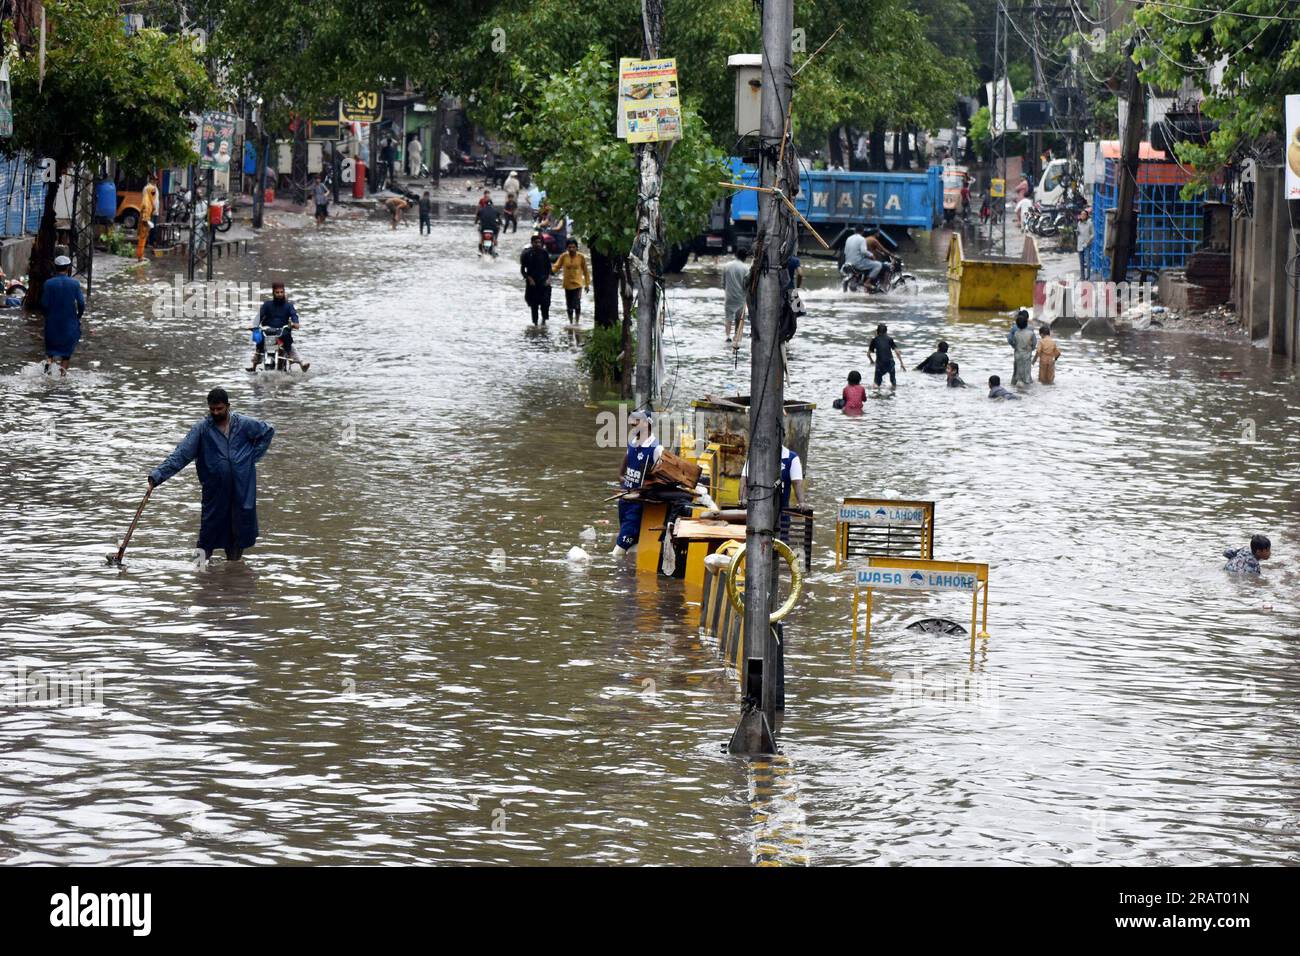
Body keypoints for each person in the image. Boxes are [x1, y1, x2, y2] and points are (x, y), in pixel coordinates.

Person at [148, 388, 275, 562]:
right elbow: (181, 454)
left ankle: (233, 578)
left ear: (228, 407)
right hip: (215, 492)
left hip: (242, 490)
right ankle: (198, 571)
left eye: (219, 409)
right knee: (207, 536)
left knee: (237, 538)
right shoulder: (202, 429)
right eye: (212, 409)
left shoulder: (243, 424)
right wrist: (157, 476)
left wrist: (251, 458)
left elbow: (267, 431)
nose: (216, 413)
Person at [612, 409, 664, 558]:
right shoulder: (632, 444)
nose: (632, 423)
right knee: (632, 545)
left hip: (639, 505)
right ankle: (630, 572)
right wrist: (626, 483)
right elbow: (620, 473)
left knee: (619, 549)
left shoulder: (656, 449)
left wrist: (643, 490)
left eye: (637, 420)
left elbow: (662, 480)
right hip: (625, 500)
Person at [40, 255, 87, 376]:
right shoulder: (75, 284)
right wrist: (78, 317)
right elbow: (81, 304)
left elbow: (44, 304)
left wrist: (48, 317)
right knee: (66, 354)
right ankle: (62, 377)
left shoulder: (48, 284)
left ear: (55, 268)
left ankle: (47, 374)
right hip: (69, 325)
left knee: (50, 353)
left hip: (52, 324)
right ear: (68, 268)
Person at [249, 282, 309, 371]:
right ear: (273, 293)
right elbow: (259, 316)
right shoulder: (267, 305)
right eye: (277, 292)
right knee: (259, 343)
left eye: (281, 292)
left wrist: (295, 323)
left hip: (282, 331)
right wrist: (253, 325)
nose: (280, 294)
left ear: (284, 292)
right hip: (268, 330)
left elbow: (294, 315)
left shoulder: (289, 306)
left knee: (288, 344)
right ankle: (254, 365)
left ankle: (300, 362)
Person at [552, 238, 590, 323]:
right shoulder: (563, 256)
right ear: (566, 248)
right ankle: (570, 322)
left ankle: (577, 322)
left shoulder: (581, 257)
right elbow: (556, 266)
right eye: (569, 247)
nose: (571, 249)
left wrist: (587, 284)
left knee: (577, 304)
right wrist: (549, 272)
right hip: (567, 285)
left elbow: (586, 272)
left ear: (577, 247)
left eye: (573, 247)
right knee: (569, 306)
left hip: (578, 284)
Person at [520, 233, 553, 325]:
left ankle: (544, 322)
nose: (538, 244)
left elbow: (549, 268)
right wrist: (529, 278)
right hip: (532, 284)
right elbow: (522, 270)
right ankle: (535, 324)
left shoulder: (544, 253)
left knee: (545, 304)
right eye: (536, 242)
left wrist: (549, 279)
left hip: (544, 283)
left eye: (539, 242)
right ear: (532, 243)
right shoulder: (527, 254)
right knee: (534, 306)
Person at [721, 247, 750, 347]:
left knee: (728, 318)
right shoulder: (746, 268)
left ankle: (728, 336)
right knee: (739, 319)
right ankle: (737, 338)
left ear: (736, 255)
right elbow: (746, 284)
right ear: (745, 257)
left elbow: (723, 283)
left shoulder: (727, 266)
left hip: (729, 296)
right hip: (741, 297)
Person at [868, 323, 904, 388]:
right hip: (890, 362)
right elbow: (897, 352)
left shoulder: (874, 340)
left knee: (876, 384)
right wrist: (902, 363)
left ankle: (876, 395)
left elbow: (868, 354)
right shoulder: (889, 339)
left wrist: (872, 361)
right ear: (886, 332)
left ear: (877, 331)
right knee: (893, 382)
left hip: (880, 363)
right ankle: (893, 392)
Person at [1010, 311, 1037, 386]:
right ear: (1026, 323)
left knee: (1017, 370)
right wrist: (1032, 348)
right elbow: (1034, 343)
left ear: (1017, 325)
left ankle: (1015, 383)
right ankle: (1027, 386)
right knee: (1026, 372)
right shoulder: (1031, 333)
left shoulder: (1016, 333)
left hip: (1017, 354)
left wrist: (1016, 348)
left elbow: (1013, 342)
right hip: (1026, 355)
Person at [136, 174, 160, 261]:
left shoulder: (151, 188)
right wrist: (154, 208)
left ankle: (140, 255)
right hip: (147, 213)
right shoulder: (151, 189)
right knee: (144, 234)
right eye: (155, 180)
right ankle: (140, 255)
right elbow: (153, 200)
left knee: (144, 234)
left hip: (148, 212)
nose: (156, 181)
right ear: (152, 180)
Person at [1077, 209, 1093, 279]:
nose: (1082, 216)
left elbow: (1093, 234)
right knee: (1081, 262)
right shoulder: (1079, 223)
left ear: (1087, 216)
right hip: (1080, 244)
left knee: (1088, 262)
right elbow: (1078, 232)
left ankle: (1088, 276)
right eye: (1081, 214)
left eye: (1084, 214)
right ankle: (1082, 276)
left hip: (1086, 245)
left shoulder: (1090, 223)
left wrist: (1088, 241)